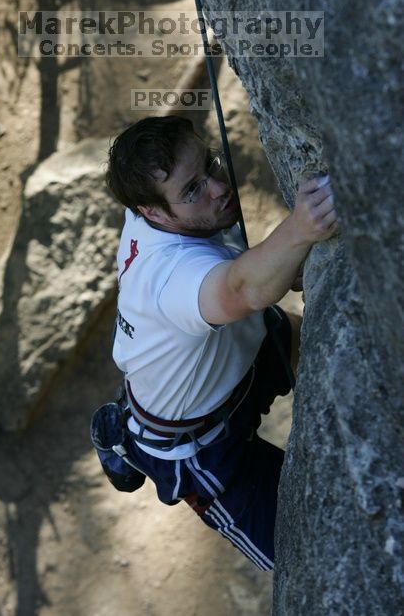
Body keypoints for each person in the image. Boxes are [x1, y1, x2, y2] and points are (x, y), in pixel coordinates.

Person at [104, 115, 337, 570]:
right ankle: (123, 442)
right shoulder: (168, 277)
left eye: (210, 163)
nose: (217, 187)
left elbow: (250, 288)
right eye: (192, 190)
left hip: (233, 357)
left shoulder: (156, 208)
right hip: (201, 450)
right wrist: (302, 228)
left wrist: (281, 263)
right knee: (309, 559)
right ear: (151, 213)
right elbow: (241, 290)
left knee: (296, 335)